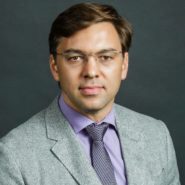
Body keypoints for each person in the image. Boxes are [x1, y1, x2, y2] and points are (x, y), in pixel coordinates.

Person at [0, 2, 180, 185]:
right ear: (55, 66)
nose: (91, 71)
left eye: (106, 57)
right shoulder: (14, 155)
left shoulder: (157, 135)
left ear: (124, 64)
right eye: (75, 58)